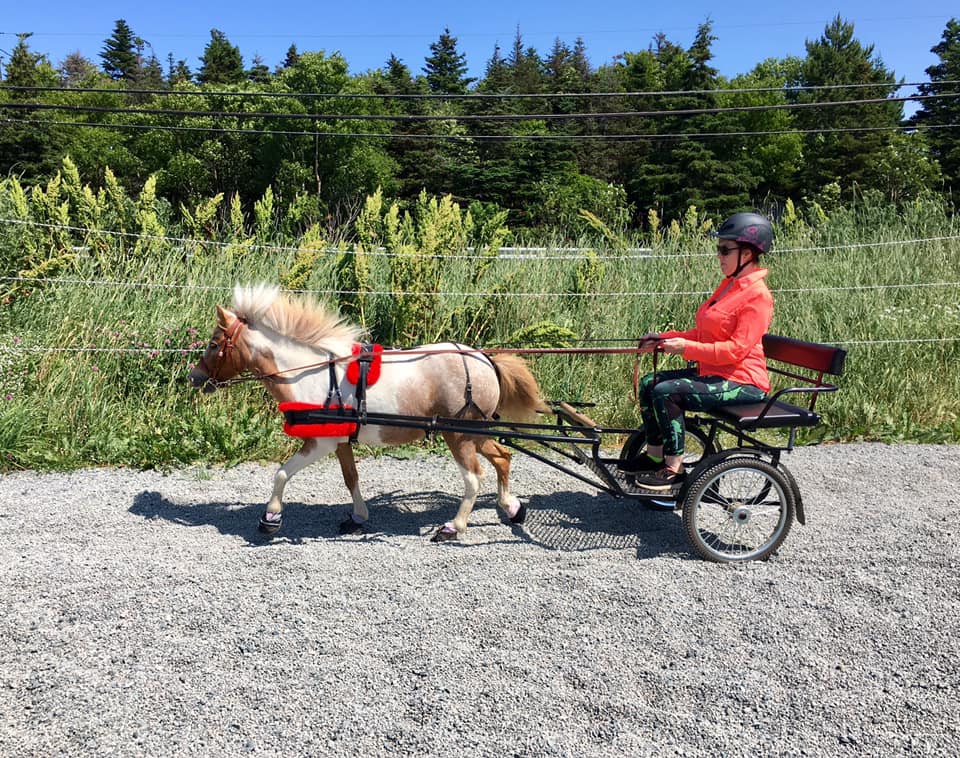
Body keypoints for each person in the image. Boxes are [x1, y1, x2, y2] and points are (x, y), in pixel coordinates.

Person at [620, 211, 775, 490]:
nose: (719, 255)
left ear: (749, 253)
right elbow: (704, 334)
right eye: (719, 249)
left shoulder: (757, 296)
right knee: (649, 383)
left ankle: (673, 468)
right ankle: (654, 457)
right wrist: (664, 338)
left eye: (725, 249)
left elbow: (736, 351)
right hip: (717, 374)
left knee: (665, 391)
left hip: (743, 382)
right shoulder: (729, 286)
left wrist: (686, 348)